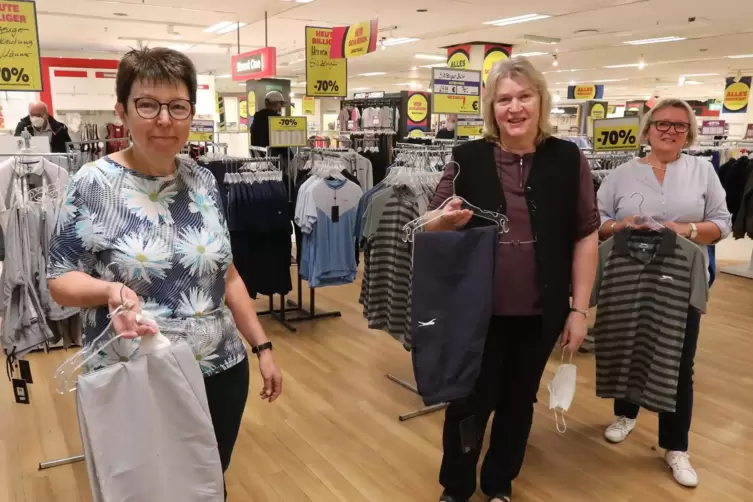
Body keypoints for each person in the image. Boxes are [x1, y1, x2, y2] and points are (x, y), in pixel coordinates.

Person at [46, 47, 283, 498]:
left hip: (220, 368)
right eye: (148, 105)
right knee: (147, 488)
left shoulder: (203, 178)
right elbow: (60, 280)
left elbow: (227, 273)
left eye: (178, 107)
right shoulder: (93, 183)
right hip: (137, 371)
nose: (164, 120)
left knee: (208, 481)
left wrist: (263, 346)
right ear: (123, 111)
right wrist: (111, 290)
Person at [424, 56, 600, 502]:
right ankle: (457, 486)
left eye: (524, 96)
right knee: (468, 402)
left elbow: (586, 235)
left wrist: (579, 309)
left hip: (540, 313)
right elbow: (430, 224)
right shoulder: (467, 156)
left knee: (519, 403)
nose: (514, 107)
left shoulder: (567, 158)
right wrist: (445, 221)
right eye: (504, 99)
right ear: (491, 108)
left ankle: (499, 484)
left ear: (541, 101)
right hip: (476, 313)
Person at [596, 98, 731, 488]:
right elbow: (599, 222)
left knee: (678, 358)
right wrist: (621, 224)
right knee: (628, 343)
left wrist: (686, 230)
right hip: (630, 270)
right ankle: (626, 413)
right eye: (662, 124)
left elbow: (722, 223)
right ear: (648, 128)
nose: (670, 131)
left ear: (689, 132)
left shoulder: (702, 171)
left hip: (681, 274)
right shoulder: (621, 174)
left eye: (679, 125)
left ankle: (676, 445)